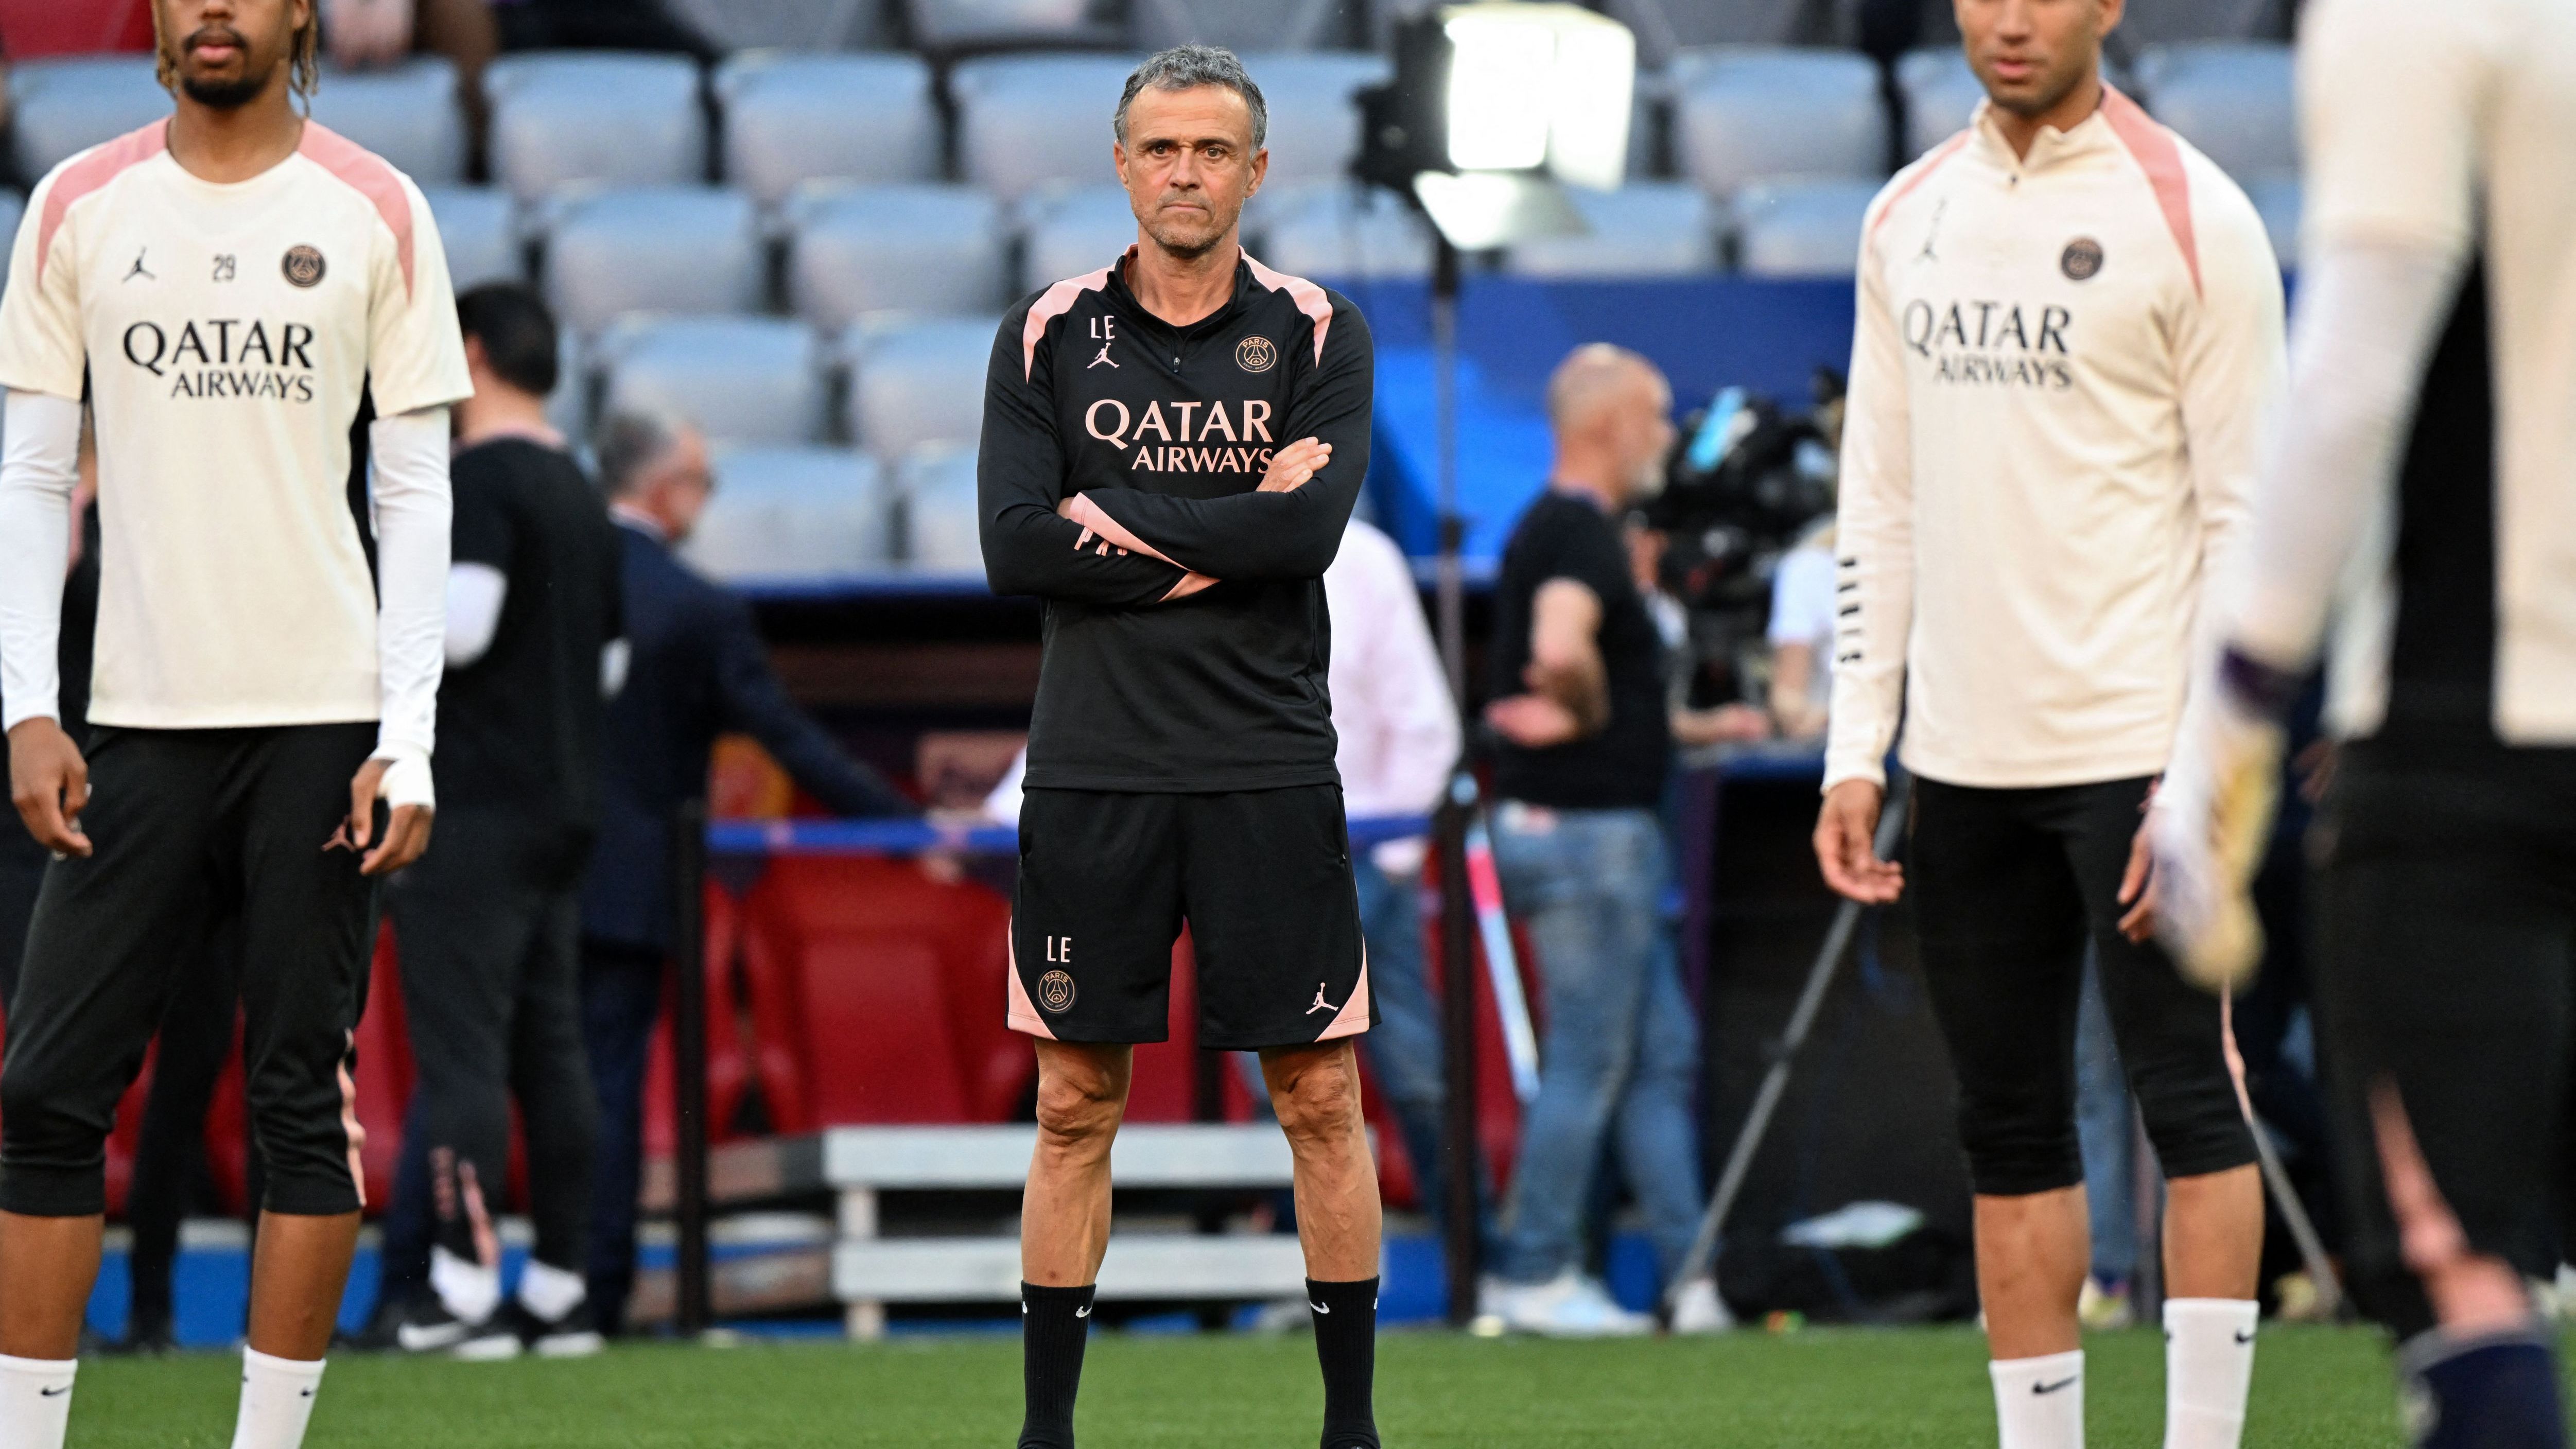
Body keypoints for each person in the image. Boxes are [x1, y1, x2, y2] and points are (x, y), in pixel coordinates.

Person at [1811, 0, 2285, 1443]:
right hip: (1957, 765)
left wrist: (2202, 774)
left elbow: (2247, 523)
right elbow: (1874, 503)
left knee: (2190, 1105)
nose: (2009, 21)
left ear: (2108, 6)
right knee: (2004, 1133)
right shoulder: (1905, 215)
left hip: (2140, 750)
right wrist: (1854, 744)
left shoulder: (2194, 214)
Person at [0, 0, 468, 1440]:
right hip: (131, 723)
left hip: (323, 725)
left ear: (298, 14)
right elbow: (30, 472)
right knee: (44, 1093)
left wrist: (410, 732)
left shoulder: (379, 208)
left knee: (295, 1104)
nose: (214, 7)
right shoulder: (78, 201)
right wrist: (27, 706)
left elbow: (413, 492)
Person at [2147, 0, 2576, 1442]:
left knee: (2454, 1262)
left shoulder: (2416, 16)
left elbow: (2344, 388)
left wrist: (2226, 721)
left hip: (2488, 727)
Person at [977, 45, 1380, 1449]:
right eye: (1161, 148)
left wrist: (1116, 521)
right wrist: (1226, 535)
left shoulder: (1322, 330)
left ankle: (1348, 1431)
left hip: (1270, 760)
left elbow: (1306, 536)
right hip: (1093, 763)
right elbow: (1015, 546)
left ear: (1256, 171)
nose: (1186, 172)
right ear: (1121, 164)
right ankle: (1045, 1435)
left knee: (1319, 1094)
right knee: (1074, 1103)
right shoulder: (1046, 333)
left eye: (1213, 150)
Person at [578, 407, 917, 1335]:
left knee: (498, 1079)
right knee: (606, 1083)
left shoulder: (547, 582)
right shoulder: (694, 605)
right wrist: (904, 825)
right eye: (701, 481)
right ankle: (589, 1290)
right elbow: (788, 739)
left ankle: (461, 1283)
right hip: (629, 881)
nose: (706, 500)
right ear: (662, 488)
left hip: (523, 873)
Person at [374, 281, 621, 1358]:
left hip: (473, 805)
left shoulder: (477, 477)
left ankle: (462, 1288)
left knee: (464, 1051)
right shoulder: (580, 484)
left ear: (469, 352)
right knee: (551, 1049)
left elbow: (462, 627)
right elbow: (610, 660)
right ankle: (560, 1286)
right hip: (566, 801)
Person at [1477, 344, 1723, 1339]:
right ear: (1611, 424)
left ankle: (1692, 1280)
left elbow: (1595, 681)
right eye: (1658, 415)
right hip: (1587, 841)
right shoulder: (1578, 534)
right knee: (1591, 1059)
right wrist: (1576, 710)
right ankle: (1535, 1271)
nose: (1666, 436)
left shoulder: (1564, 528)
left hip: (1591, 837)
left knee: (1659, 1053)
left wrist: (1700, 729)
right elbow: (1558, 649)